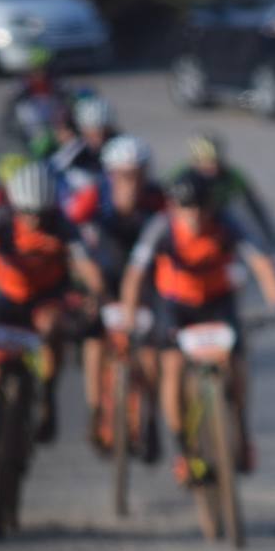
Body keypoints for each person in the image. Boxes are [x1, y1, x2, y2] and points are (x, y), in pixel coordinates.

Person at [0, 161, 104, 507]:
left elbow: (88, 267)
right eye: (28, 214)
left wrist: (96, 300)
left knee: (52, 326)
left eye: (42, 214)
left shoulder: (65, 226)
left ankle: (48, 395)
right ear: (15, 206)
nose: (35, 221)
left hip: (46, 301)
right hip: (5, 301)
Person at [117, 169, 275, 486]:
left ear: (211, 207)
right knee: (173, 366)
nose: (193, 215)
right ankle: (183, 449)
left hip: (217, 301)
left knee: (235, 361)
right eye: (185, 207)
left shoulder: (227, 225)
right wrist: (129, 315)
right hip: (175, 306)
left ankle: (239, 428)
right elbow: (136, 273)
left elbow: (260, 261)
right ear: (173, 207)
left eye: (199, 207)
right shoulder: (161, 228)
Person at [79, 134, 167, 453]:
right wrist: (87, 281)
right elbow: (69, 238)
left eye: (138, 173)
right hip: (103, 277)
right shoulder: (92, 197)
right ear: (110, 174)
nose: (131, 181)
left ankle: (153, 418)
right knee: (94, 338)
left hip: (145, 282)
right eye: (123, 174)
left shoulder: (159, 199)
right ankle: (93, 411)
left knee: (151, 350)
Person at [170, 131, 275, 260]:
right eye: (206, 163)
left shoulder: (233, 176)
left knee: (240, 223)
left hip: (219, 215)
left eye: (215, 161)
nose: (213, 168)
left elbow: (256, 209)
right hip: (186, 224)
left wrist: (272, 239)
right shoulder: (179, 176)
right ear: (194, 162)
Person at [2, 46, 74, 159]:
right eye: (37, 69)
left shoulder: (56, 84)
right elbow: (11, 113)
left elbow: (68, 102)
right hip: (33, 131)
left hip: (54, 128)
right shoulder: (22, 87)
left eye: (45, 68)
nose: (41, 73)